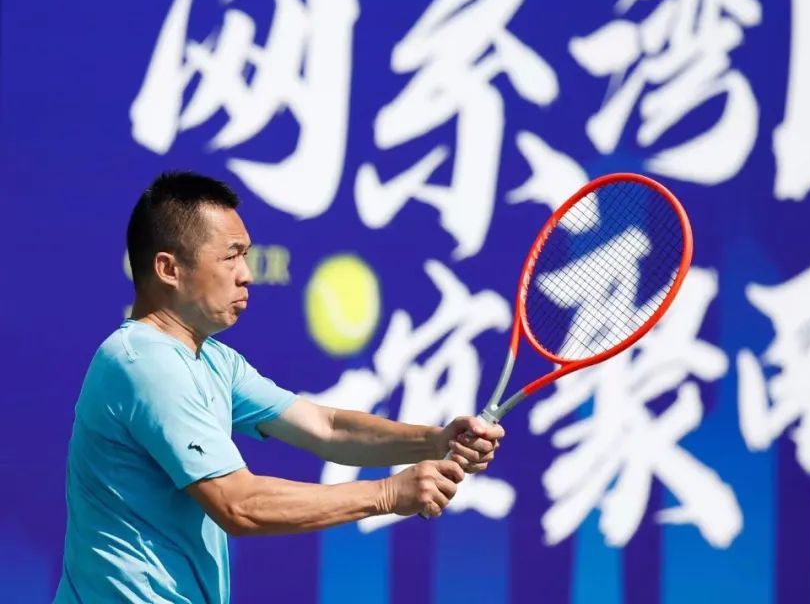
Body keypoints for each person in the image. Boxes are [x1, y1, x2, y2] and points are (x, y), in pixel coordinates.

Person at [55, 171, 505, 603]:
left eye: (246, 256)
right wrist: (387, 494)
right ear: (169, 269)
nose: (246, 274)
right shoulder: (146, 363)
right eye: (230, 256)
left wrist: (435, 440)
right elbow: (239, 505)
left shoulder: (213, 360)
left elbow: (327, 428)